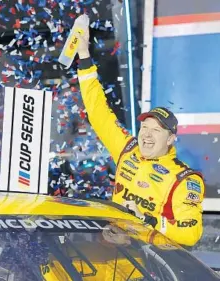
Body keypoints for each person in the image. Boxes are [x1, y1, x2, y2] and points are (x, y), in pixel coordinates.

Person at [73, 14, 204, 247]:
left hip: (151, 265)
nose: (147, 134)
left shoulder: (184, 179)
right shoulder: (127, 148)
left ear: (171, 139)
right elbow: (97, 111)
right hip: (113, 253)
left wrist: (145, 220)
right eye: (145, 127)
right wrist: (84, 56)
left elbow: (191, 234)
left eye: (156, 130)